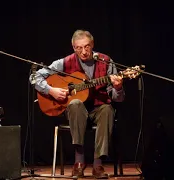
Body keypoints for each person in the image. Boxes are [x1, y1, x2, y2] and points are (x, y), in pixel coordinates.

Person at [30, 29, 125, 179]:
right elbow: (35, 77)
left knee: (107, 109)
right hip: (76, 112)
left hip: (98, 109)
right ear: (73, 47)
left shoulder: (105, 61)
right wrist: (51, 91)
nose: (84, 52)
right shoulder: (66, 62)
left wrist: (118, 87)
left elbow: (117, 98)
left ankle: (97, 164)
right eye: (79, 48)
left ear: (92, 45)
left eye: (87, 46)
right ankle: (79, 162)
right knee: (74, 103)